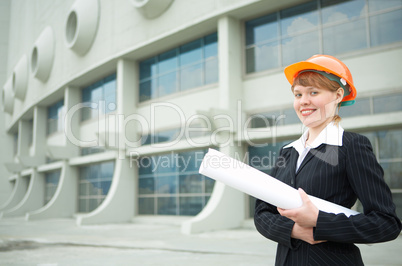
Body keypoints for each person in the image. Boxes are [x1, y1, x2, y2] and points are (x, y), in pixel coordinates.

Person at [254, 54, 402, 265]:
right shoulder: (287, 151)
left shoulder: (351, 146)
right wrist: (294, 230)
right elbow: (262, 213)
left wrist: (319, 221)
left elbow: (386, 224)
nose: (304, 101)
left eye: (314, 92)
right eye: (298, 94)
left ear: (338, 95)